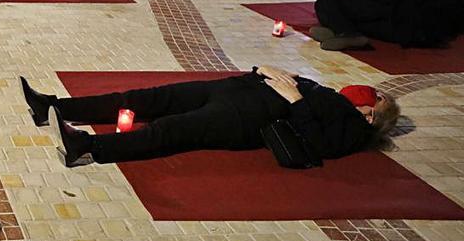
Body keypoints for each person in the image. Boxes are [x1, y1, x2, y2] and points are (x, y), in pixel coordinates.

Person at [20, 68, 401, 168]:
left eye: (380, 100)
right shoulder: (327, 93)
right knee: (144, 98)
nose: (374, 92)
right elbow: (278, 76)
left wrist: (297, 99)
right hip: (231, 89)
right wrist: (263, 70)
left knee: (171, 129)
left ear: (373, 117)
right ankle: (55, 107)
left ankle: (86, 146)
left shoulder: (352, 127)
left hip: (244, 117)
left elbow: (319, 144)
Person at [311, 0, 464, 51]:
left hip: (395, 6)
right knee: (359, 21)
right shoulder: (451, 27)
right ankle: (344, 32)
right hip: (407, 34)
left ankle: (343, 31)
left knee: (326, 3)